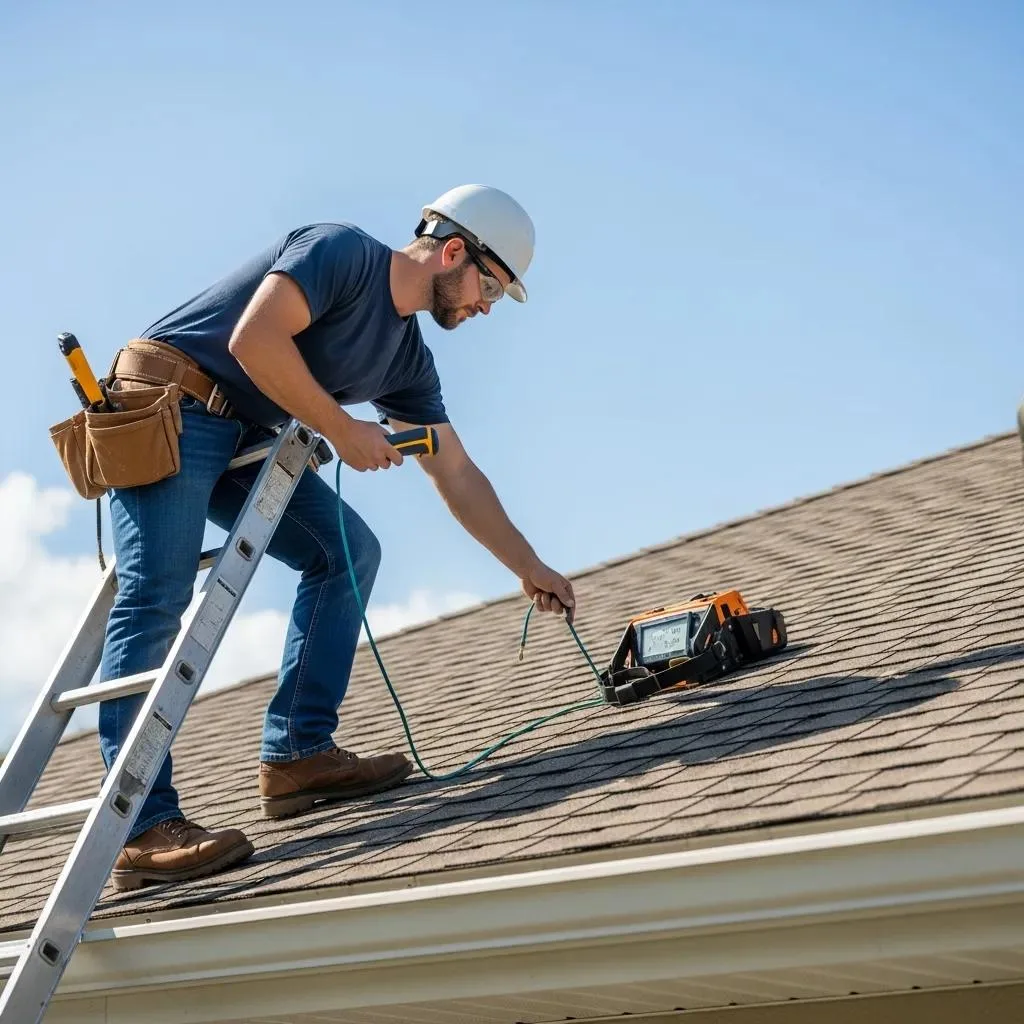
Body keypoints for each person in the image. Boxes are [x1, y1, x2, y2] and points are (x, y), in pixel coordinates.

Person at [99, 184, 577, 891]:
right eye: (492, 290)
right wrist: (344, 429)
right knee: (157, 598)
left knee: (347, 552)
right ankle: (136, 829)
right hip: (171, 402)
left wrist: (528, 564)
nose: (484, 308)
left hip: (241, 437)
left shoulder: (405, 360)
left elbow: (457, 472)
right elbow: (252, 339)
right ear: (453, 252)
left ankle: (296, 754)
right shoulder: (341, 252)